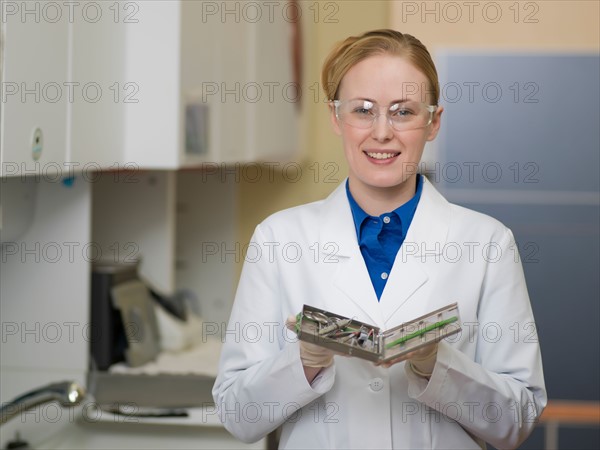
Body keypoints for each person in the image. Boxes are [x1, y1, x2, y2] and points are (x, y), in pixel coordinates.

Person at [212, 29, 546, 449]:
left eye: (403, 112)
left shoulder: (488, 244)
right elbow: (236, 415)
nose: (382, 132)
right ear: (336, 117)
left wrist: (436, 365)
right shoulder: (279, 239)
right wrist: (303, 362)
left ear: (433, 121)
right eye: (363, 110)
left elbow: (517, 420)